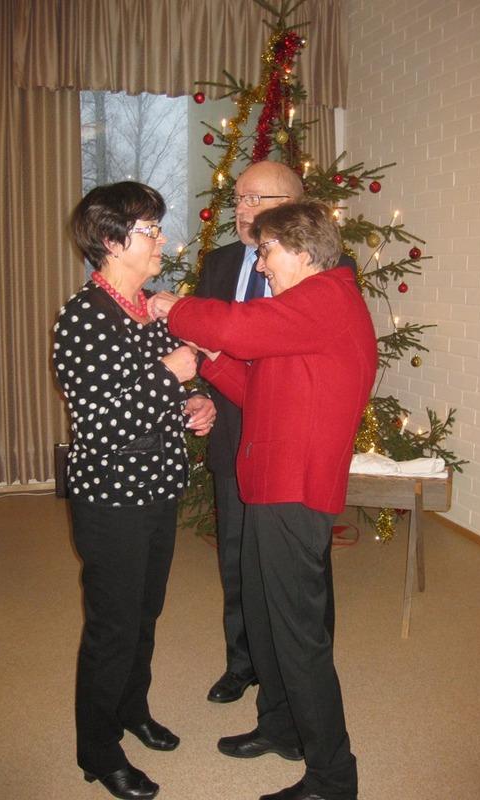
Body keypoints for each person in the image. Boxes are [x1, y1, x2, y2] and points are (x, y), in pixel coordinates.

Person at [148, 201, 377, 800]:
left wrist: (175, 307)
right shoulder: (308, 311)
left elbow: (239, 326)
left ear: (302, 250)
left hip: (295, 492)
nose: (261, 264)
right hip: (269, 485)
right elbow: (256, 388)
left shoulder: (327, 296)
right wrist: (214, 361)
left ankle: (333, 776)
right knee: (267, 618)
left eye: (268, 251)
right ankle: (280, 727)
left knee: (298, 635)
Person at [53, 181, 216, 800]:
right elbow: (100, 424)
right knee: (113, 628)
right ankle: (97, 751)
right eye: (150, 231)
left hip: (157, 488)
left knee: (144, 614)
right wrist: (171, 374)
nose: (162, 241)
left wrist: (195, 402)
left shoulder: (146, 309)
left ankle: (131, 709)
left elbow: (161, 396)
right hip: (111, 499)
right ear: (111, 240)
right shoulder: (82, 318)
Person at [196, 160, 304, 703]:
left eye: (254, 198)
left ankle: (291, 672)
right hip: (231, 429)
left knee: (289, 562)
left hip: (288, 436)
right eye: (239, 198)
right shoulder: (218, 263)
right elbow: (201, 343)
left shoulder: (322, 266)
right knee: (236, 555)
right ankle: (241, 663)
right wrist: (198, 393)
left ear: (291, 206)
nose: (241, 209)